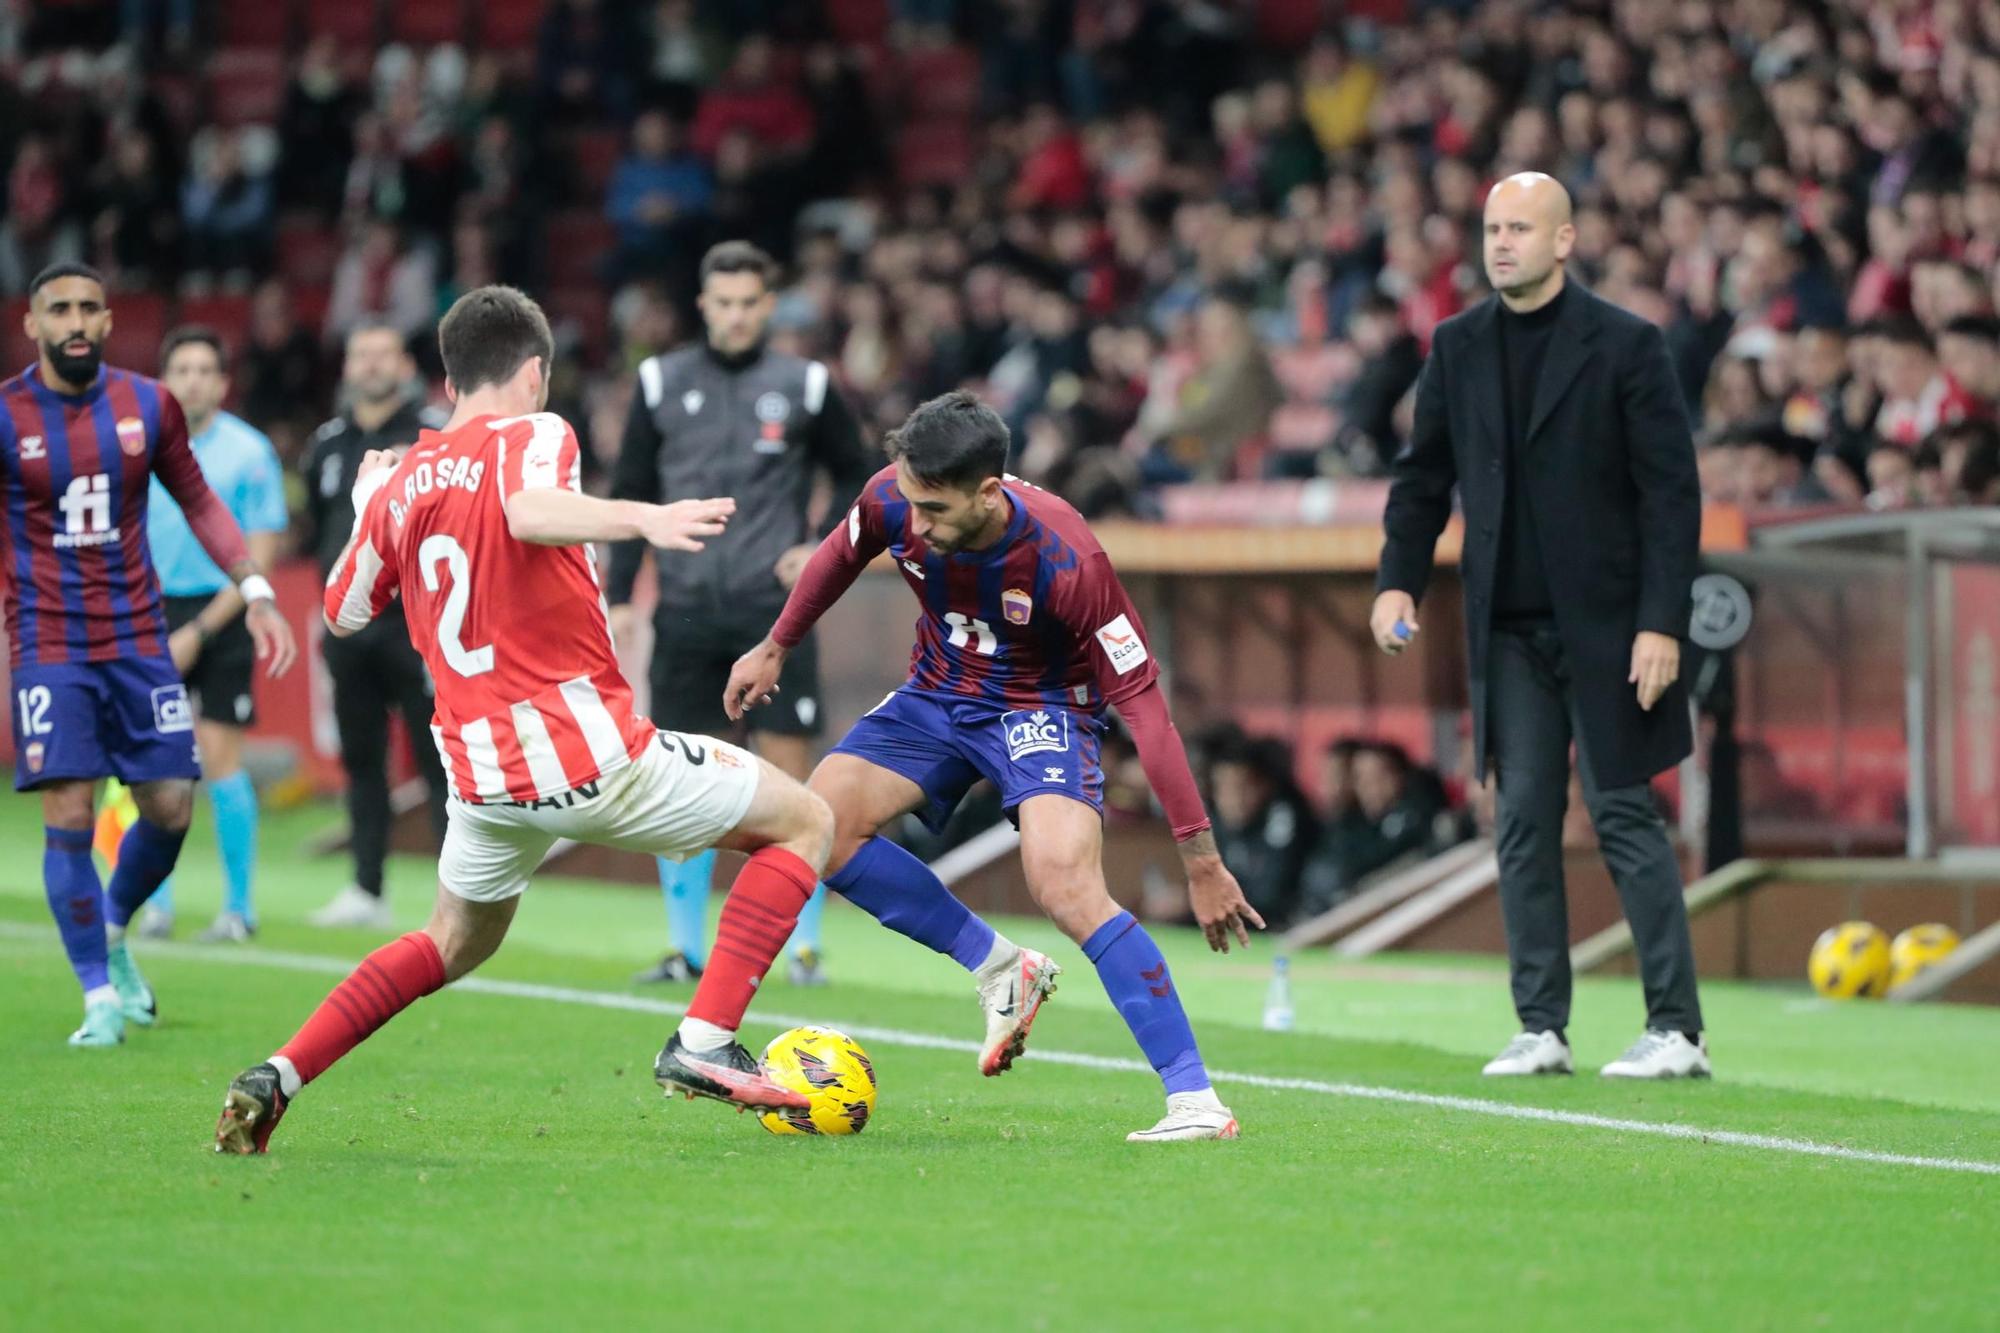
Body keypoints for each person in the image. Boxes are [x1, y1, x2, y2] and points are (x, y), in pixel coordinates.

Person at [215, 285, 831, 1155]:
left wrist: (366, 510)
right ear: (534, 372)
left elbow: (343, 610)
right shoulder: (537, 434)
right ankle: (702, 1042)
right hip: (586, 753)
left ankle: (279, 1072)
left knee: (453, 941)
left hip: (480, 779)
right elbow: (525, 510)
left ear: (448, 373)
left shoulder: (402, 480)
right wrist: (642, 517)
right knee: (806, 819)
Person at [724, 390, 1264, 1142]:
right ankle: (999, 965)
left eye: (934, 511)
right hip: (937, 693)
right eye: (909, 504)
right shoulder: (896, 493)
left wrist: (1199, 856)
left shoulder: (1068, 557)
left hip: (1040, 708)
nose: (913, 525)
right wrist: (776, 644)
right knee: (822, 822)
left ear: (988, 492)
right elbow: (840, 553)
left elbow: (1143, 706)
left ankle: (1195, 1099)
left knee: (1065, 885)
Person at [1371, 172, 1709, 1080]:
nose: (1501, 242)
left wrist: (1662, 623)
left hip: (1609, 629)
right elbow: (1421, 477)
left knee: (1624, 814)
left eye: (1520, 227)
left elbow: (1672, 497)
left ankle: (1677, 1028)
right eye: (1491, 227)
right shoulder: (1458, 344)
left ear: (1564, 240)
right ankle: (1542, 1026)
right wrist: (1396, 583)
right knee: (1520, 820)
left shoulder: (1629, 345)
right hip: (1508, 633)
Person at [3, 262, 297, 1047]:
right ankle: (98, 993)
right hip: (49, 639)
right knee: (68, 811)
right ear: (31, 324)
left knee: (170, 807)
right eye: (57, 308)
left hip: (137, 636)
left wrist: (255, 587)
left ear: (106, 322)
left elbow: (200, 500)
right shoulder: (7, 415)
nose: (74, 320)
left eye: (88, 308)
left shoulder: (146, 405)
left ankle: (111, 924)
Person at [607, 240, 874, 988]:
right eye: (722, 303)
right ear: (703, 305)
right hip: (686, 610)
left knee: (792, 771)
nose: (734, 315)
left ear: (768, 304)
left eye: (748, 302)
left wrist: (820, 546)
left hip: (775, 616)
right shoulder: (660, 381)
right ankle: (686, 947)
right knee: (675, 780)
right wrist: (624, 596)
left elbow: (860, 474)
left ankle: (805, 946)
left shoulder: (808, 385)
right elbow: (631, 488)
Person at [122, 327, 290, 942]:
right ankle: (155, 903)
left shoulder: (249, 453)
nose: (192, 379)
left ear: (222, 383)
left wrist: (197, 630)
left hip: (223, 612)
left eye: (204, 369)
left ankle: (238, 910)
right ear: (163, 382)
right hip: (148, 612)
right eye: (181, 369)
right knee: (147, 762)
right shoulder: (134, 449)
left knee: (219, 757)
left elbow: (261, 554)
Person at [299, 323, 452, 930]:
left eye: (382, 353)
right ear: (347, 367)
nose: (370, 364)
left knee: (439, 763)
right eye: (360, 352)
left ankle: (456, 898)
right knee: (362, 762)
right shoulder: (327, 444)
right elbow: (322, 525)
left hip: (417, 627)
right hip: (349, 631)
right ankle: (366, 888)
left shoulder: (435, 436)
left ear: (405, 364)